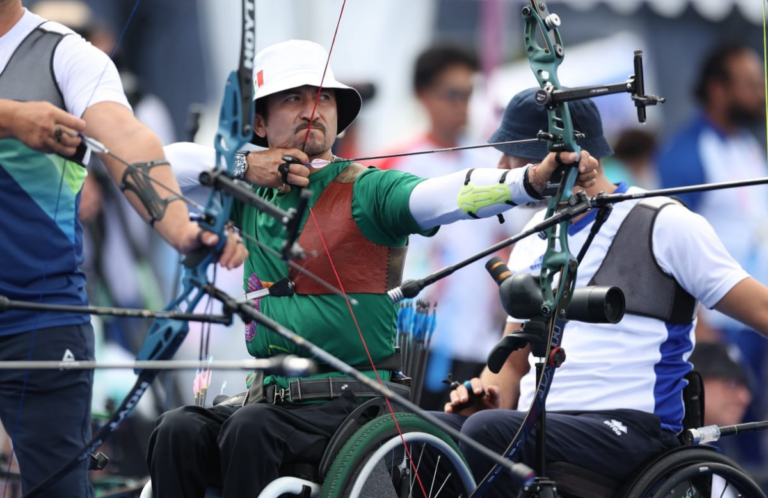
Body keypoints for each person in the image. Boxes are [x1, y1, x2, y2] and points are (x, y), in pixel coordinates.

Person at [149, 39, 599, 497]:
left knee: (250, 428)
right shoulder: (244, 191)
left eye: (323, 98)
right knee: (176, 428)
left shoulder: (369, 191)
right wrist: (246, 163)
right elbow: (149, 164)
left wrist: (529, 181)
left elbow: (446, 194)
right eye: (293, 98)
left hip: (348, 404)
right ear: (260, 122)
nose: (312, 110)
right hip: (264, 398)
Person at [0, 0, 246, 496]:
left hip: (39, 318)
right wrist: (12, 118)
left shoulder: (68, 56)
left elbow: (128, 142)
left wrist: (184, 230)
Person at [439, 88, 768, 497]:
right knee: (433, 434)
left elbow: (763, 310)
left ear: (569, 158)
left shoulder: (665, 223)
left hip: (633, 433)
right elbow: (511, 364)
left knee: (489, 431)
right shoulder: (532, 235)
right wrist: (485, 395)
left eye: (517, 152)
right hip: (541, 425)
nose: (503, 167)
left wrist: (488, 420)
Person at [377, 44, 511, 410]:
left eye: (468, 94)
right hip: (413, 334)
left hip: (476, 338)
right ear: (423, 95)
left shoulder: (488, 161)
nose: (462, 105)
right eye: (452, 94)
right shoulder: (396, 160)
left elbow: (510, 241)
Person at [656, 44, 768, 464]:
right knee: (724, 445)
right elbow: (672, 241)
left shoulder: (747, 144)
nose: (760, 93)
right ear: (719, 89)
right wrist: (701, 326)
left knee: (757, 440)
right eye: (750, 84)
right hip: (723, 322)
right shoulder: (687, 150)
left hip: (758, 316)